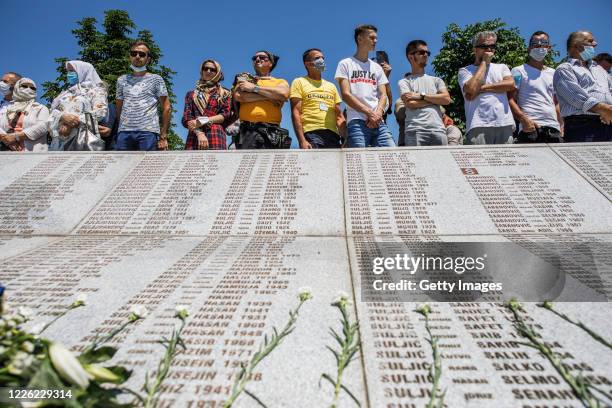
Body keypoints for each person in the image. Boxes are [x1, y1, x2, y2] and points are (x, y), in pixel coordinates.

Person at [335, 24, 394, 148]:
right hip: (356, 121)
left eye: (376, 38)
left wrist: (377, 114)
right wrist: (369, 113)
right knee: (359, 160)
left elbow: (383, 95)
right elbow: (345, 94)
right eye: (372, 38)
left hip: (378, 121)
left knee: (392, 154)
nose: (375, 41)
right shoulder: (345, 64)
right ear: (360, 39)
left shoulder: (377, 67)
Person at [458, 31, 516, 144]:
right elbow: (470, 88)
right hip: (478, 124)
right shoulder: (465, 71)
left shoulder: (502, 67)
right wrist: (484, 62)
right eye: (484, 46)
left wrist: (481, 89)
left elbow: (510, 84)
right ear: (474, 49)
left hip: (504, 123)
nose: (489, 50)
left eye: (492, 46)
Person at [553, 31, 612, 142]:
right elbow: (576, 97)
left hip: (608, 122)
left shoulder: (600, 70)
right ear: (576, 45)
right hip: (582, 125)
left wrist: (609, 111)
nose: (595, 44)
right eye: (590, 41)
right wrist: (604, 109)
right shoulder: (565, 69)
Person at [116, 40, 171, 151]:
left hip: (148, 132)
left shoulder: (157, 79)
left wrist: (163, 135)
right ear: (129, 57)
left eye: (142, 54)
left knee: (146, 167)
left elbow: (166, 107)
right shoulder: (121, 80)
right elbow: (119, 107)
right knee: (121, 166)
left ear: (148, 59)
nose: (137, 56)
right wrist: (120, 128)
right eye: (134, 53)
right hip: (124, 132)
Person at [509, 31, 563, 143]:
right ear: (529, 48)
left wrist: (561, 125)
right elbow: (510, 99)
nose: (540, 47)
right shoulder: (518, 71)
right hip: (530, 128)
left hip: (554, 128)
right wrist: (523, 120)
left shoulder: (554, 73)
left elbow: (556, 102)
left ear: (549, 48)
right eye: (536, 44)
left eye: (544, 44)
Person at [398, 40, 451, 146]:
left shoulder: (437, 80)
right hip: (415, 130)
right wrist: (436, 101)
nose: (426, 55)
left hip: (438, 129)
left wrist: (420, 96)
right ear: (411, 56)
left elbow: (446, 99)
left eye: (428, 53)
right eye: (421, 52)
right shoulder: (404, 82)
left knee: (443, 163)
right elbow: (410, 104)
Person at [233, 50, 290, 149]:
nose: (258, 59)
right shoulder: (245, 79)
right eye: (255, 58)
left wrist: (254, 88)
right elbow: (240, 96)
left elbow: (284, 94)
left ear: (271, 63)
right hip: (248, 131)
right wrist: (271, 96)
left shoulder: (280, 81)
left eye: (262, 57)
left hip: (273, 132)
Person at [290, 49, 346, 149]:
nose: (321, 60)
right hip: (311, 133)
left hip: (333, 135)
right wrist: (302, 140)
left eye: (322, 58)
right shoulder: (299, 82)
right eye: (317, 58)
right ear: (307, 64)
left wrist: (346, 138)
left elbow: (339, 115)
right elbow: (296, 112)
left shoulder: (331, 86)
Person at [48, 60, 107, 151]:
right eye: (68, 71)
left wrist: (71, 122)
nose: (69, 74)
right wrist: (62, 118)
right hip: (60, 140)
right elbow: (52, 113)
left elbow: (99, 112)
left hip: (83, 139)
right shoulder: (64, 94)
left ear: (83, 71)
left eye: (72, 71)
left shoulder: (96, 90)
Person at [182, 60, 232, 150]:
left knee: (217, 163)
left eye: (212, 69)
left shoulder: (225, 93)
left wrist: (203, 120)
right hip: (194, 135)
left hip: (215, 135)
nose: (208, 71)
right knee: (192, 163)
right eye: (205, 68)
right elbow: (187, 118)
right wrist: (199, 133)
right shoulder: (191, 94)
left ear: (217, 73)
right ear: (202, 71)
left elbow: (225, 115)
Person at [0, 78, 49, 152]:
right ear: (17, 88)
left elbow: (43, 126)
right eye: (24, 86)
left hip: (32, 154)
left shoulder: (40, 108)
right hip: (5, 153)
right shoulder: (7, 109)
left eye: (32, 87)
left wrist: (16, 137)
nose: (28, 89)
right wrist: (7, 141)